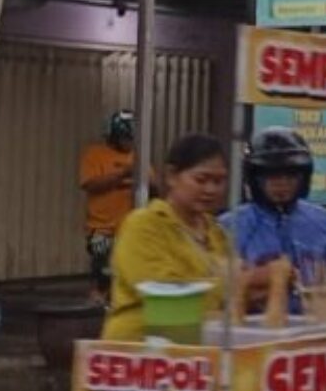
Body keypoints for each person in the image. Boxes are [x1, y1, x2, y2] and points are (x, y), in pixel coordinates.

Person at [102, 134, 234, 341]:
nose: (211, 189)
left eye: (219, 181)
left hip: (194, 351)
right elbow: (166, 294)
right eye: (201, 180)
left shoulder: (217, 232)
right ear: (172, 176)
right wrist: (237, 283)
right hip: (139, 352)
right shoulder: (144, 225)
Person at [219, 128, 326, 313]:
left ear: (304, 177)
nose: (282, 183)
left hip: (315, 331)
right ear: (254, 178)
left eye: (291, 175)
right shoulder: (227, 227)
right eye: (271, 175)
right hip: (249, 334)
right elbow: (216, 293)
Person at [79, 111, 138, 301]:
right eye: (125, 139)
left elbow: (154, 187)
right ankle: (96, 309)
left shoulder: (136, 157)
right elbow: (90, 184)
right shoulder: (95, 155)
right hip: (101, 228)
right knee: (102, 272)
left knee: (124, 273)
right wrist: (123, 174)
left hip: (128, 228)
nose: (129, 143)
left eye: (131, 139)